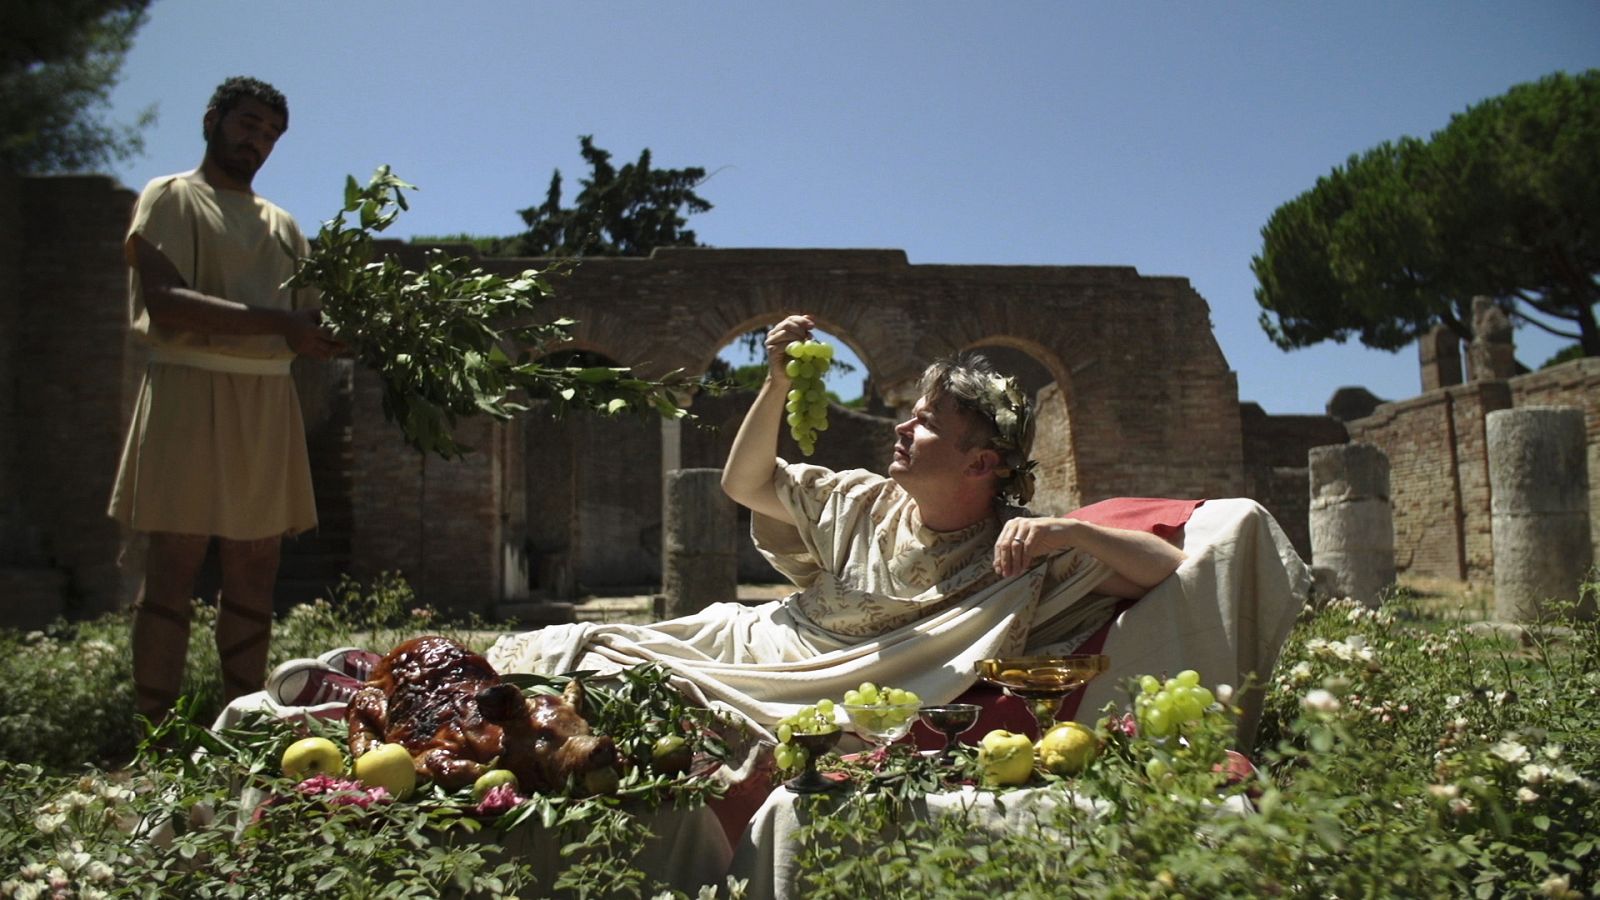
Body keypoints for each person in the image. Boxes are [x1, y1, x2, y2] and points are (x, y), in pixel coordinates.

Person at [485, 314, 1285, 741]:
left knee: (620, 692)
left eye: (928, 422)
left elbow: (1164, 571)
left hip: (832, 692)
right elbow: (745, 482)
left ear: (983, 464)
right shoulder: (863, 498)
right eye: (909, 414)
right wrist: (771, 383)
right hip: (765, 646)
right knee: (574, 650)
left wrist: (1071, 534)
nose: (902, 428)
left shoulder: (1021, 548)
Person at [108, 76, 343, 722]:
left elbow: (307, 322)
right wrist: (280, 326)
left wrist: (346, 332)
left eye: (269, 134)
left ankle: (237, 725)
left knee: (255, 567)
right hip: (187, 387)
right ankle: (153, 732)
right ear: (213, 119)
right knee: (175, 563)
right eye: (247, 124)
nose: (257, 140)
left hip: (266, 401)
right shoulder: (173, 197)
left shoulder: (283, 225)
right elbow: (165, 302)